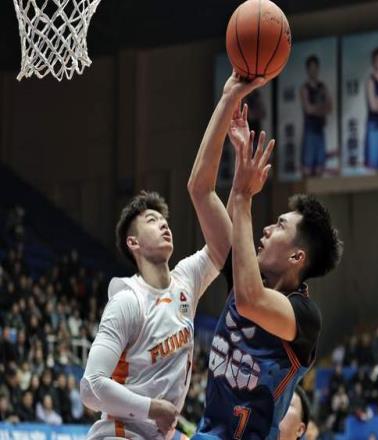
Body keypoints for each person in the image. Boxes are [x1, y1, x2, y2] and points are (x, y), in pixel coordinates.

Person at [80, 71, 264, 439]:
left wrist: (230, 117)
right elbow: (90, 386)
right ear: (133, 244)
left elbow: (226, 244)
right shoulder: (128, 301)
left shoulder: (185, 281)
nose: (164, 224)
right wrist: (152, 408)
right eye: (151, 221)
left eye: (164, 219)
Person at [194, 83, 343, 438]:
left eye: (279, 226)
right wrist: (228, 99)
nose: (266, 229)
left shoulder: (305, 316)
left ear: (296, 256)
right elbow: (200, 189)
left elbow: (250, 300)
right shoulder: (245, 275)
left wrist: (244, 197)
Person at [300, 55, 333, 177]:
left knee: (320, 168)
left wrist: (317, 109)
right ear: (308, 70)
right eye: (311, 68)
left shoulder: (323, 87)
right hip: (310, 131)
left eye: (315, 68)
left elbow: (329, 107)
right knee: (307, 169)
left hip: (320, 130)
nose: (313, 70)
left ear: (318, 69)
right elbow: (308, 109)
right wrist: (321, 108)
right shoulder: (305, 88)